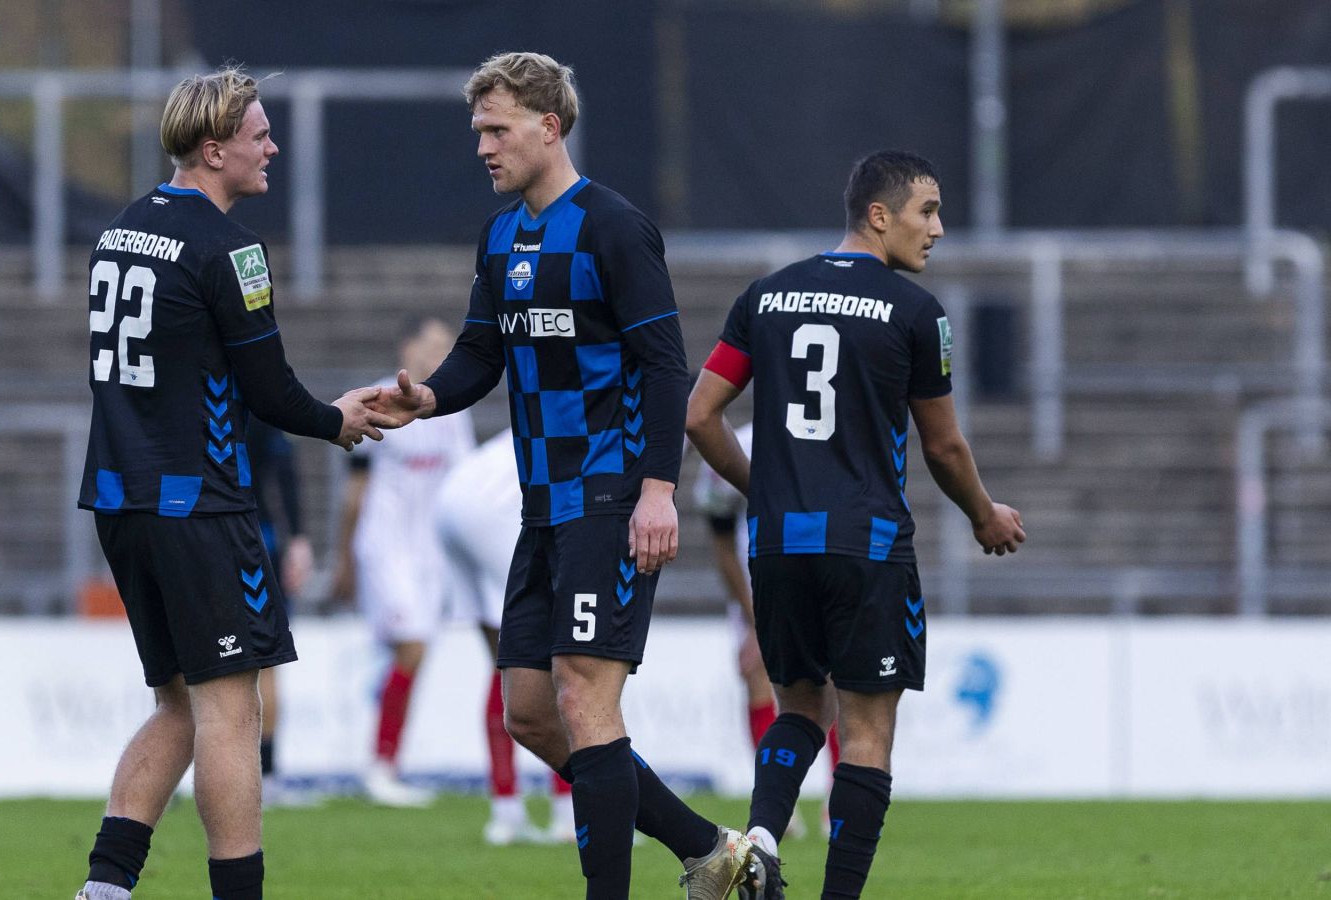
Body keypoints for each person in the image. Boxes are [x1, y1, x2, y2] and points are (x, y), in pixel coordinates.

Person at [368, 51, 755, 900]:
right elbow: (480, 353)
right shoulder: (502, 234)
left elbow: (664, 368)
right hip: (539, 508)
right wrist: (427, 397)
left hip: (610, 498)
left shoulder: (614, 226)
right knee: (532, 715)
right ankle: (713, 851)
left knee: (584, 701)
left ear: (550, 127)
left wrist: (658, 489)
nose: (482, 147)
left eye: (497, 129)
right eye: (478, 130)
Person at [73, 65, 395, 900]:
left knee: (179, 704)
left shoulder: (122, 229)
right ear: (213, 150)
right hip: (198, 506)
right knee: (229, 710)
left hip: (118, 499)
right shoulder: (230, 248)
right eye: (258, 135)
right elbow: (269, 392)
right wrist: (340, 420)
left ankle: (104, 891)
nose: (272, 148)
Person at [686, 150, 1026, 900]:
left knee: (800, 709)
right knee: (867, 736)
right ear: (880, 215)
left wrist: (766, 490)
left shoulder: (765, 296)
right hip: (867, 546)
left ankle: (762, 841)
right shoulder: (915, 314)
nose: (937, 228)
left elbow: (700, 416)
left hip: (776, 543)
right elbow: (943, 444)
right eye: (927, 211)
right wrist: (983, 515)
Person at [329, 317, 476, 808]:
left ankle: (388, 755)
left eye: (447, 347)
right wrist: (345, 557)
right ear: (407, 346)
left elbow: (463, 483)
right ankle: (381, 764)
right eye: (432, 344)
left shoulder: (454, 413)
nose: (440, 354)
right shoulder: (380, 402)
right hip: (385, 546)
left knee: (412, 653)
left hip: (431, 553)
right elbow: (356, 491)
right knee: (410, 647)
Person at [693, 422, 842, 843]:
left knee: (833, 681)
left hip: (823, 579)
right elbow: (722, 543)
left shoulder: (827, 437)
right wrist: (753, 616)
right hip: (758, 585)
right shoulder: (734, 446)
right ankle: (781, 801)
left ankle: (838, 797)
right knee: (758, 677)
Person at [434, 427, 577, 845]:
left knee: (502, 664)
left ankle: (505, 809)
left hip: (452, 500)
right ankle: (568, 812)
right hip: (493, 508)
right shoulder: (632, 417)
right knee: (559, 661)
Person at [241, 420, 318, 808]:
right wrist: (299, 539)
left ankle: (193, 769)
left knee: (198, 662)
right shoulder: (257, 402)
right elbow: (284, 473)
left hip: (196, 533)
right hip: (253, 538)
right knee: (265, 662)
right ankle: (266, 776)